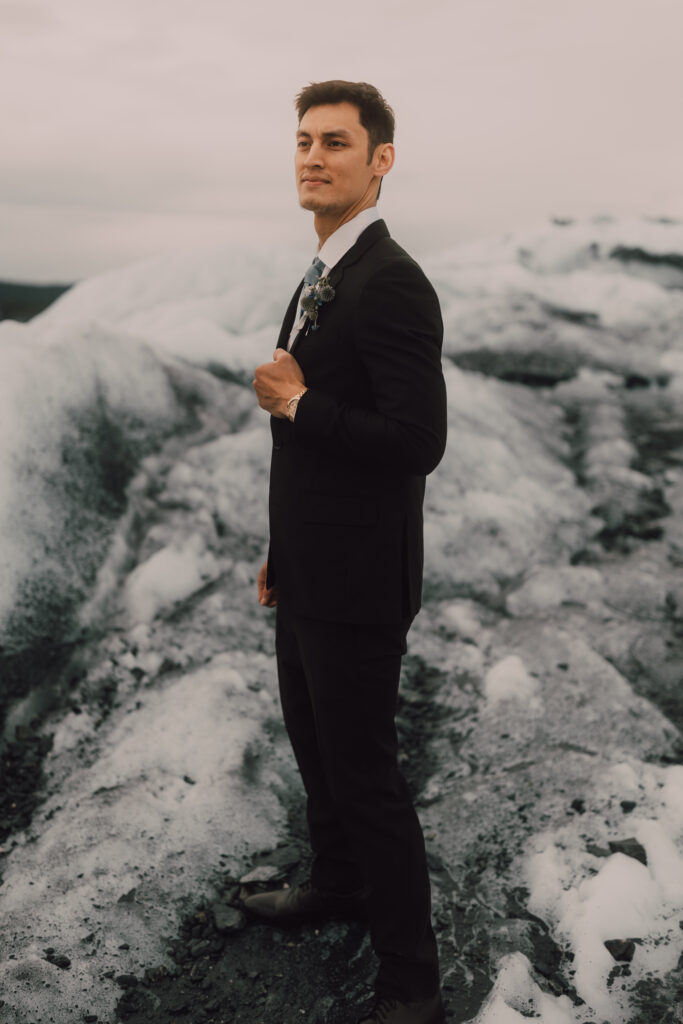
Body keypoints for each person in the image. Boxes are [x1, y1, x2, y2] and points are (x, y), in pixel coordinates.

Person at [249, 80, 448, 1024]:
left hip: (363, 577)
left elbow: (417, 442)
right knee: (315, 747)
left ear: (380, 161)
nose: (311, 156)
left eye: (334, 141)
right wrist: (281, 545)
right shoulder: (325, 267)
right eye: (301, 140)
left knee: (364, 773)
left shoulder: (391, 278)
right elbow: (320, 425)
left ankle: (410, 981)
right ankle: (337, 886)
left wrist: (296, 405)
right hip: (312, 563)